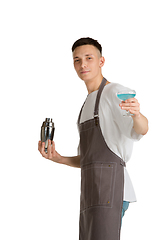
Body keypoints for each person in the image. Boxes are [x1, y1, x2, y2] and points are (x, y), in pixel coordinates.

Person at [38, 37, 148, 240]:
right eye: (77, 60)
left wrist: (137, 115)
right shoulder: (87, 104)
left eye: (89, 58)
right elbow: (88, 159)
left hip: (110, 191)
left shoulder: (113, 91)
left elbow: (140, 130)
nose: (83, 64)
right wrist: (58, 158)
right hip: (90, 193)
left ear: (101, 61)